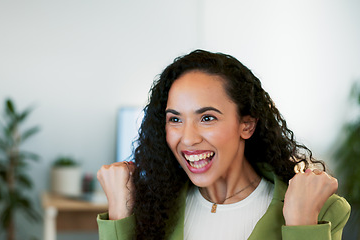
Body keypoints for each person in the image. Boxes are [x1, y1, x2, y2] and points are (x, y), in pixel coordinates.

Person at [97, 50, 350, 240]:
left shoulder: (321, 212)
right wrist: (120, 211)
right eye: (175, 119)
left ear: (247, 125)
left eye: (207, 118)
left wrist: (301, 225)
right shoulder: (152, 209)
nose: (187, 138)